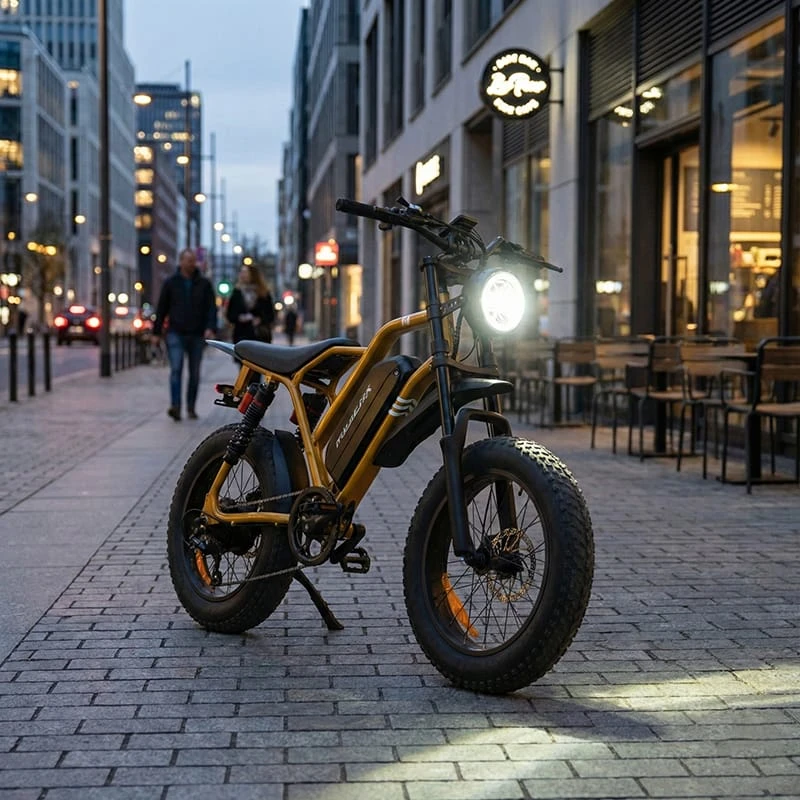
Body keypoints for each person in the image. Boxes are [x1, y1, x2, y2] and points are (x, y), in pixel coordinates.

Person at [151, 248, 217, 421]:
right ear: (180, 261)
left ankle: (190, 406)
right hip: (176, 332)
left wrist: (210, 327)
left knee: (194, 373)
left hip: (196, 333)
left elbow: (211, 308)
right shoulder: (171, 283)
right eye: (187, 260)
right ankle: (176, 405)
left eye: (193, 260)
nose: (190, 263)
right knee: (176, 369)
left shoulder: (204, 283)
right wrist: (156, 332)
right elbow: (162, 308)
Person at [226, 264, 275, 343]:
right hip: (241, 335)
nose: (242, 274)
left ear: (253, 274)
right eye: (241, 272)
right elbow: (230, 314)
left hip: (260, 336)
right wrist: (240, 318)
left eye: (245, 272)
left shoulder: (263, 293)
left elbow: (271, 315)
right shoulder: (237, 292)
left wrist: (260, 319)